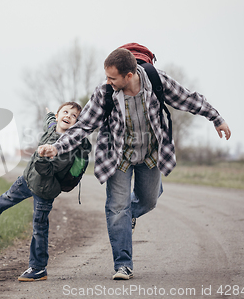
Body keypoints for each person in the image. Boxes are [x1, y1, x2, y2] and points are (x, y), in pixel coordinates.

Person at [38, 44, 231, 280]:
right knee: (117, 208)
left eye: (112, 77)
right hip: (117, 157)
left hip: (150, 154)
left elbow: (189, 100)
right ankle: (123, 265)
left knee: (148, 200)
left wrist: (216, 118)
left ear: (129, 75)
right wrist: (57, 147)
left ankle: (128, 213)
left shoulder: (157, 82)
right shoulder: (105, 93)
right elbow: (83, 126)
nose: (107, 81)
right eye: (106, 76)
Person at [0, 102, 92, 282]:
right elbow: (49, 122)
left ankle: (38, 268)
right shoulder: (52, 127)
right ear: (58, 117)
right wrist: (50, 113)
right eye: (65, 112)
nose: (68, 116)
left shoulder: (68, 148)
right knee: (7, 197)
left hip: (45, 191)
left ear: (77, 125)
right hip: (27, 180)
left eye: (74, 116)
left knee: (39, 228)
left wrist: (42, 157)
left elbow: (48, 171)